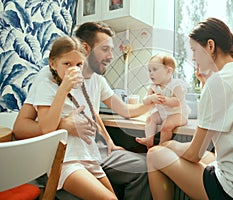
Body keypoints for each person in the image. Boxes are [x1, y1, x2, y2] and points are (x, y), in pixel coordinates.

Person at [13, 22, 152, 200]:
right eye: (105, 49)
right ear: (86, 48)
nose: (111, 56)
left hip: (91, 152)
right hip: (65, 154)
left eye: (78, 64)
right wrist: (64, 125)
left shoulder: (96, 80)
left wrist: (150, 103)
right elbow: (23, 128)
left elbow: (104, 110)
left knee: (142, 168)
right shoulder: (49, 78)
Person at [146, 17, 233, 200]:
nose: (193, 57)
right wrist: (206, 84)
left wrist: (169, 144)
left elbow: (194, 154)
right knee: (209, 157)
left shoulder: (219, 82)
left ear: (210, 46)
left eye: (194, 50)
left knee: (155, 154)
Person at [32, 36, 121, 199]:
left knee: (113, 196)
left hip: (88, 156)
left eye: (78, 64)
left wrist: (109, 140)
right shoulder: (46, 86)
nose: (74, 69)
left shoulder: (83, 87)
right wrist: (64, 88)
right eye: (67, 64)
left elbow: (93, 115)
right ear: (53, 64)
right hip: (65, 161)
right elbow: (46, 128)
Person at [135, 53, 190, 149]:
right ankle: (149, 139)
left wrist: (165, 100)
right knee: (150, 118)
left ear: (169, 71)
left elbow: (177, 101)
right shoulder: (153, 86)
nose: (151, 73)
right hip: (162, 114)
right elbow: (145, 101)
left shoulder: (176, 85)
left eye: (155, 69)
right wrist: (151, 98)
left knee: (166, 127)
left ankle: (162, 146)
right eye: (149, 70)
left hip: (178, 114)